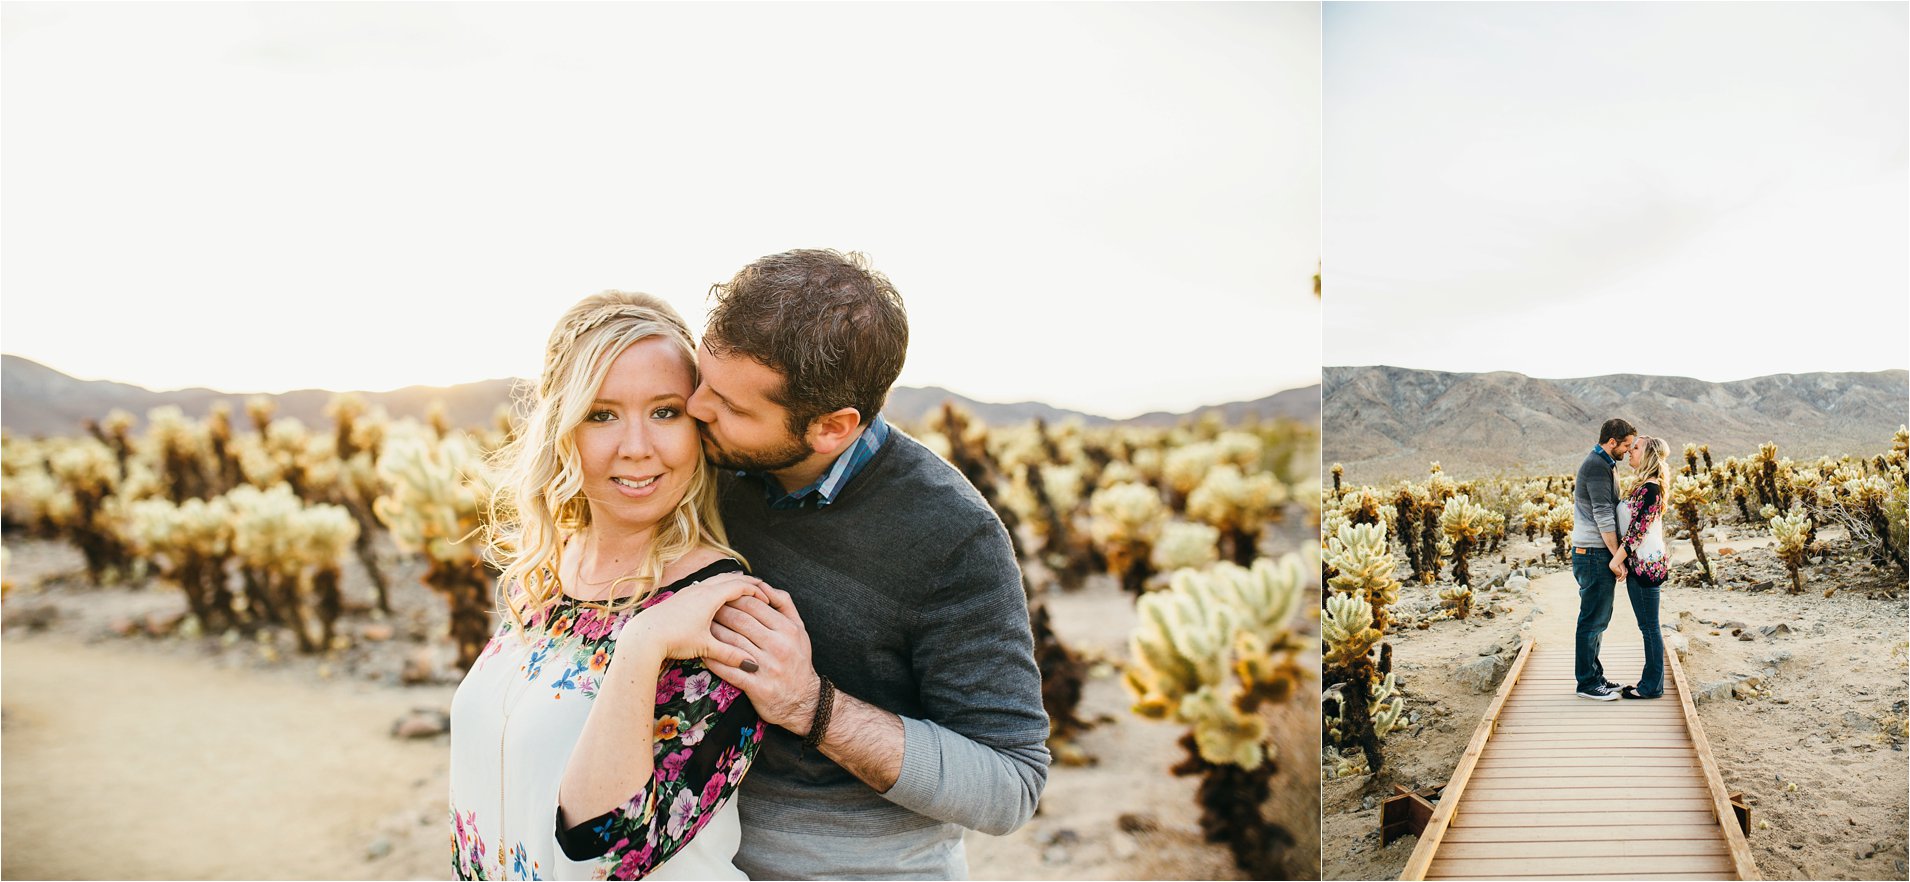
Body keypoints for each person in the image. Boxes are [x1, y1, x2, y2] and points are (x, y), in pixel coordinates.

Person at [684, 249, 1049, 878]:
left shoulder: (952, 535)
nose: (695, 410)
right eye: (702, 383)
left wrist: (809, 704)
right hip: (696, 857)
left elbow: (1011, 783)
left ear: (832, 427)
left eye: (734, 407)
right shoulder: (704, 463)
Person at [450, 291, 770, 881]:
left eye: (666, 411)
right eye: (602, 414)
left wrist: (643, 642)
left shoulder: (725, 611)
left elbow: (609, 853)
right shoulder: (546, 577)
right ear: (563, 429)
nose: (637, 446)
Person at [1572, 417, 1637, 701]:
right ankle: (1587, 683)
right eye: (1625, 445)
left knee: (1599, 618)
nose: (1627, 450)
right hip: (1594, 553)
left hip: (1595, 553)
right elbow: (1602, 514)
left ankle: (1595, 676)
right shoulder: (1597, 467)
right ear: (1612, 442)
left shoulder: (1603, 464)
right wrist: (1616, 556)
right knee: (1592, 619)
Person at [1617, 435, 1672, 699]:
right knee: (1648, 626)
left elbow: (1638, 531)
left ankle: (1651, 687)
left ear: (1648, 454)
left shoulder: (1651, 489)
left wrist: (1616, 560)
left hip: (1645, 567)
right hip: (1638, 564)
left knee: (1650, 627)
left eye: (1635, 448)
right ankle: (1652, 684)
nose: (1629, 451)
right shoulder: (1643, 487)